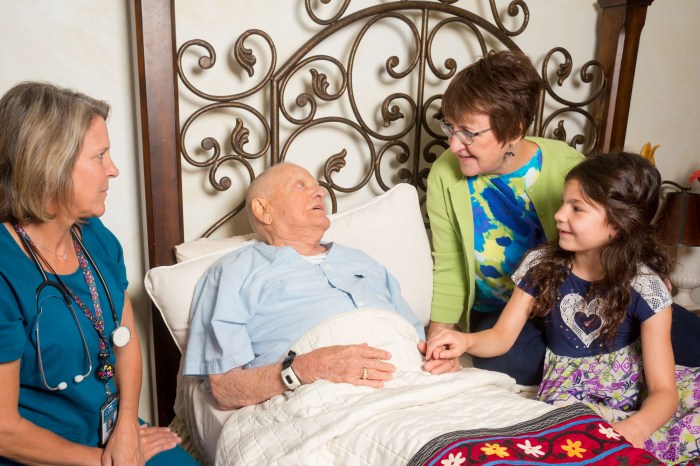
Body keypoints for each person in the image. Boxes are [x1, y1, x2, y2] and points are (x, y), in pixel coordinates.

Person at [423, 49, 700, 385]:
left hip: (590, 298)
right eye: (450, 127)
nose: (454, 144)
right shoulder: (444, 174)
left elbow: (613, 219)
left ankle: (626, 363)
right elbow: (449, 265)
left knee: (683, 334)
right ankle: (615, 368)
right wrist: (439, 346)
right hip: (505, 314)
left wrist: (647, 268)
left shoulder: (564, 163)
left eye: (470, 133)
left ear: (514, 129)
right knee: (504, 357)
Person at [425, 152, 700, 464]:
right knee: (572, 444)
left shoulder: (646, 287)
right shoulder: (540, 266)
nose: (558, 215)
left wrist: (636, 428)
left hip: (637, 399)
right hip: (572, 399)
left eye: (577, 208)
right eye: (563, 203)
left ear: (617, 225)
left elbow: (664, 390)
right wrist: (466, 341)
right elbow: (501, 337)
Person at [0, 82, 199, 465]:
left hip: (110, 433)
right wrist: (106, 461)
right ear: (50, 165)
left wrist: (126, 428)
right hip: (40, 452)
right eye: (100, 156)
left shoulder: (94, 236)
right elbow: (5, 430)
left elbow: (126, 343)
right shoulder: (6, 268)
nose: (114, 169)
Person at [183, 162, 426, 408]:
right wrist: (306, 368)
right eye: (300, 185)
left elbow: (417, 340)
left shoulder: (363, 261)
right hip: (333, 399)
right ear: (263, 209)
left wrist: (438, 356)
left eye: (318, 186)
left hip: (417, 381)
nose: (320, 192)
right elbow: (225, 390)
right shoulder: (232, 272)